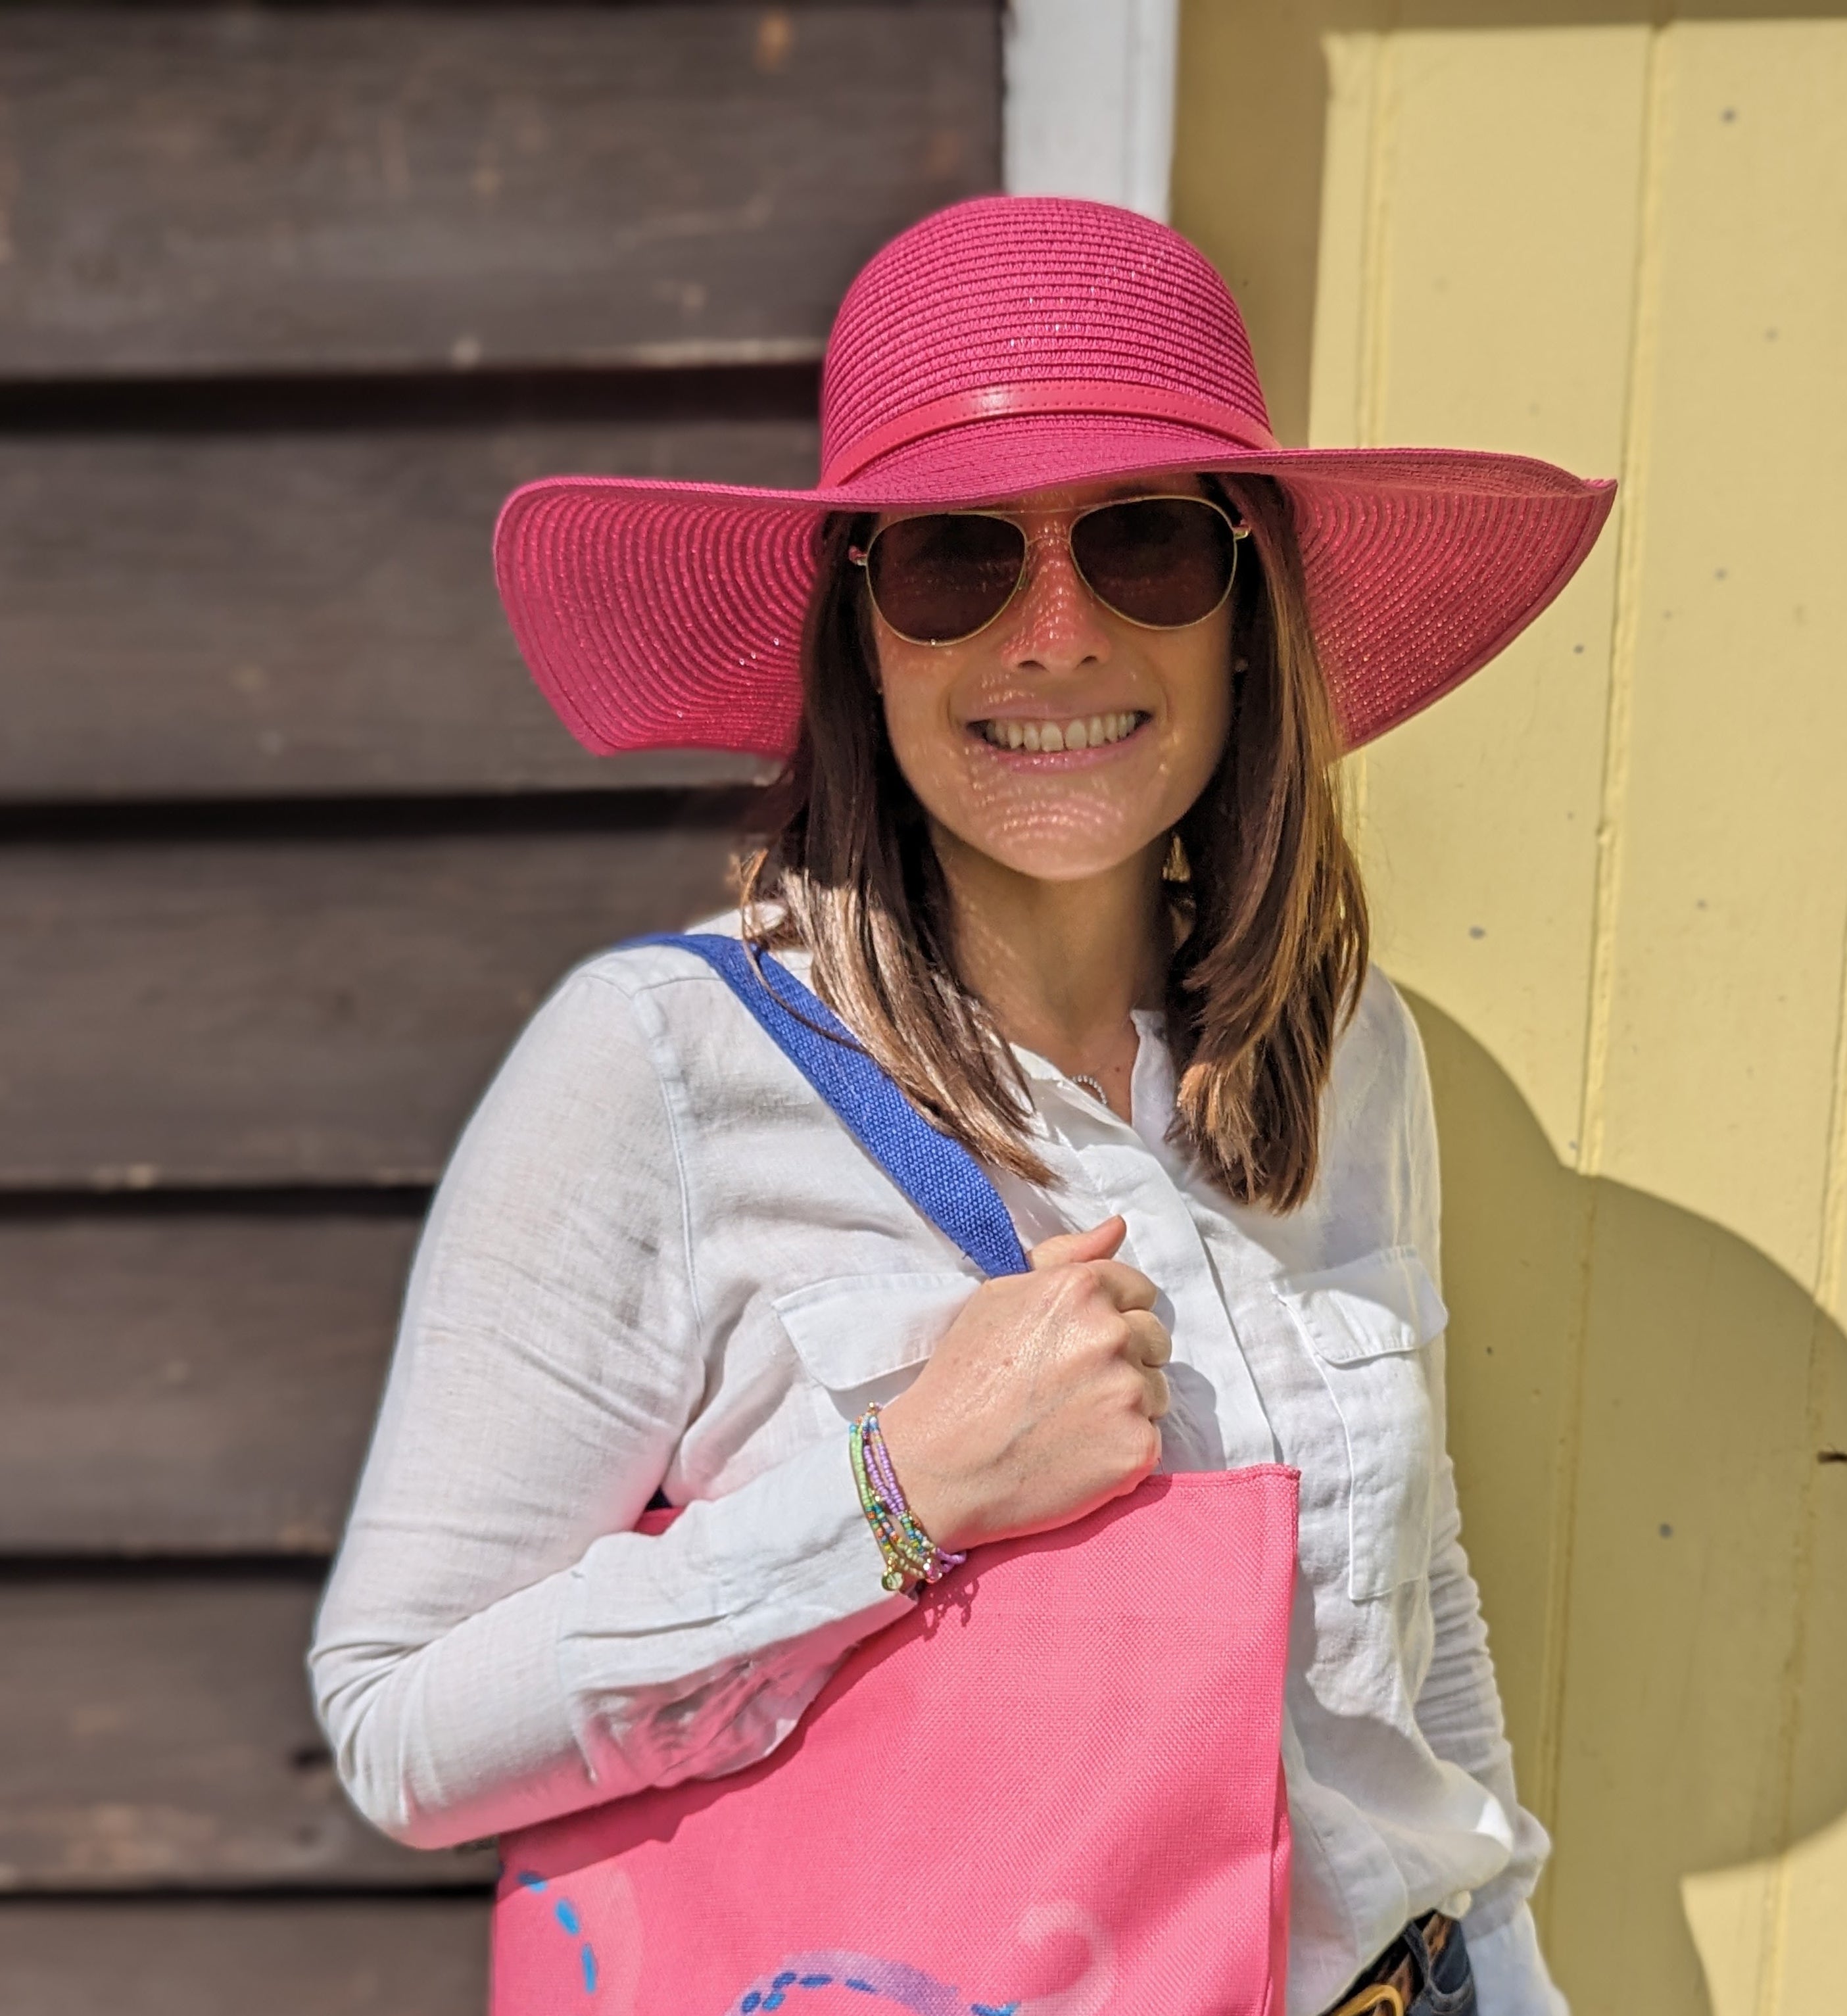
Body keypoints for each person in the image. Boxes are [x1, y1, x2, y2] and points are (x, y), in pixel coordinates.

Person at [312, 195, 1611, 2015]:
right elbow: (400, 1721)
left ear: (1250, 608)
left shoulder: (1337, 1047)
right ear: (861, 635)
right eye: (952, 561)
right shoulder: (668, 1069)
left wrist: (1519, 1973)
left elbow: (1418, 1616)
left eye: (1148, 544)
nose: (1057, 635)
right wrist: (899, 1493)